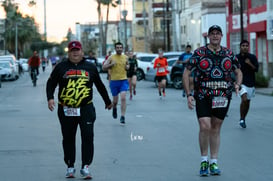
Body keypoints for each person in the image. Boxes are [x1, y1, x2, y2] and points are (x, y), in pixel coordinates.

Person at [46, 40, 112, 179]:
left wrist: (107, 101)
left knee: (88, 136)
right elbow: (51, 83)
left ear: (82, 52)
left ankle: (85, 166)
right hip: (66, 109)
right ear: (69, 52)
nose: (75, 53)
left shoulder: (90, 67)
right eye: (72, 50)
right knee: (68, 138)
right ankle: (70, 166)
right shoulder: (61, 67)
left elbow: (99, 85)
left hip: (86, 108)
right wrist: (50, 98)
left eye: (77, 50)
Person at [183, 25, 242, 176]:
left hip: (223, 96)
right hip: (203, 95)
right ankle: (204, 161)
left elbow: (238, 71)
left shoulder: (228, 53)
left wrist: (237, 84)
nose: (215, 36)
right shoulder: (199, 53)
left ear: (221, 36)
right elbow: (187, 71)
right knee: (204, 126)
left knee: (215, 128)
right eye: (212, 34)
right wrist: (189, 94)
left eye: (217, 33)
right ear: (208, 36)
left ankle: (214, 162)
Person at [102, 42, 129, 124]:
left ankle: (123, 116)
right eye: (117, 47)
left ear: (122, 48)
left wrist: (127, 67)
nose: (119, 49)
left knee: (123, 98)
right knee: (115, 101)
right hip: (114, 81)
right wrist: (111, 65)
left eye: (121, 47)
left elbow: (127, 66)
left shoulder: (125, 57)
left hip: (123, 80)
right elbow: (103, 67)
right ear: (115, 49)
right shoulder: (111, 57)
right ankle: (114, 108)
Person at [236, 40, 259, 128]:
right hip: (241, 83)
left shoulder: (252, 57)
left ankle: (243, 118)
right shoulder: (236, 58)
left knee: (247, 102)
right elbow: (232, 70)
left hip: (251, 83)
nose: (245, 47)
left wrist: (249, 63)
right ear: (240, 47)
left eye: (246, 46)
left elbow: (256, 69)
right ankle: (242, 119)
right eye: (243, 45)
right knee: (244, 99)